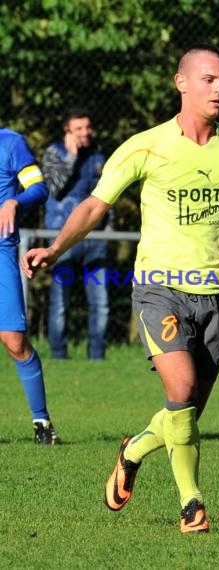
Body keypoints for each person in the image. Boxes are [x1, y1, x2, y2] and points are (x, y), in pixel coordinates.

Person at [22, 44, 219, 531]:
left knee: (184, 413)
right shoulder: (146, 145)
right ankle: (192, 503)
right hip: (159, 289)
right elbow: (93, 205)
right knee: (182, 389)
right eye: (208, 79)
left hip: (218, 295)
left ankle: (134, 449)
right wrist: (55, 249)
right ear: (182, 83)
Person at [0, 126, 60, 444]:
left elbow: (39, 188)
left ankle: (42, 422)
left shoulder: (11, 143)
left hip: (1, 251)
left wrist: (15, 203)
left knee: (14, 341)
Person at [42, 107, 110, 360]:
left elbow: (106, 196)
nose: (84, 133)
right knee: (60, 303)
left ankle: (97, 358)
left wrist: (108, 230)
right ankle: (58, 357)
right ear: (67, 131)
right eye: (78, 128)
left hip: (96, 239)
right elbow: (54, 189)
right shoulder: (53, 153)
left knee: (100, 304)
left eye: (87, 127)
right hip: (62, 239)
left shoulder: (97, 156)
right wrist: (71, 156)